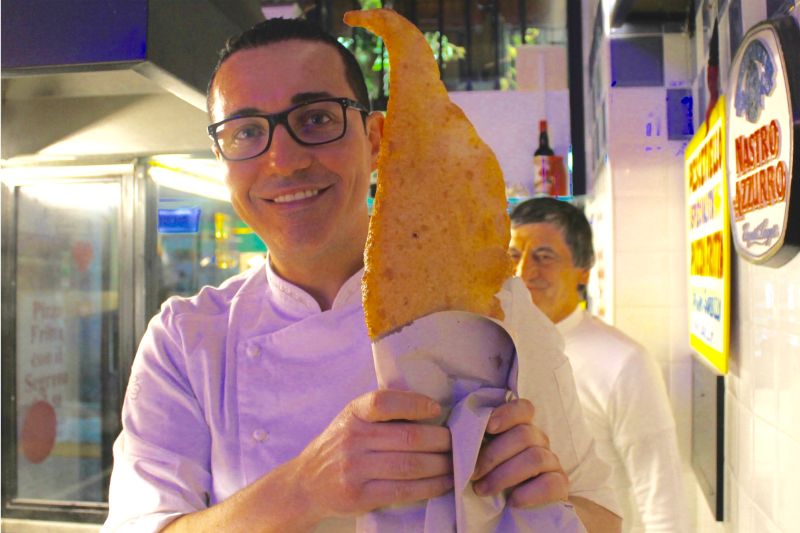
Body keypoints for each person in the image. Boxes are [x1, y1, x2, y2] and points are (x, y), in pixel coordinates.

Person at [103, 17, 621, 532]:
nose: (283, 161)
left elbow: (606, 516)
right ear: (221, 157)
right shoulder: (186, 340)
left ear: (376, 139)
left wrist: (541, 508)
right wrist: (305, 487)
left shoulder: (491, 305)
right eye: (246, 132)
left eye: (316, 119)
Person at [509, 197, 689, 533]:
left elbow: (661, 497)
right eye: (514, 256)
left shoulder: (623, 363)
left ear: (584, 271)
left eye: (544, 257)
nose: (523, 273)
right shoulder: (496, 350)